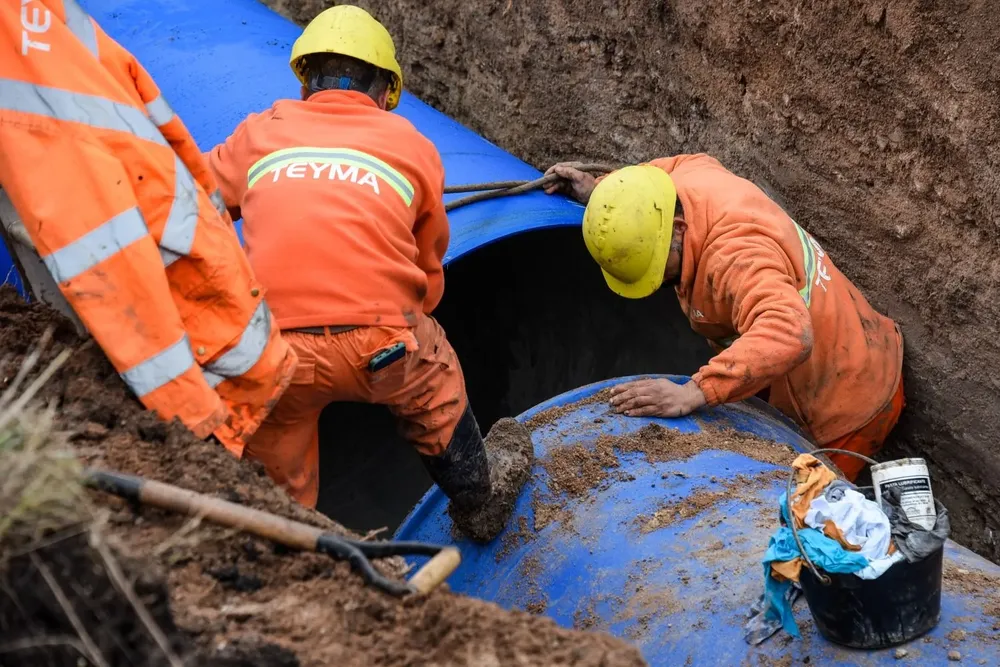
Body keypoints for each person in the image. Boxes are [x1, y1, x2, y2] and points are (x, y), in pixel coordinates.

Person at [206, 5, 532, 539]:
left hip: (271, 350)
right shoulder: (412, 146)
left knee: (275, 473)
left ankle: (283, 542)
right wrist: (406, 316)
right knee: (432, 382)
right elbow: (428, 261)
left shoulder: (259, 133)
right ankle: (478, 499)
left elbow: (188, 198)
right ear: (386, 91)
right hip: (380, 346)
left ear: (306, 80)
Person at [0, 0, 296, 454]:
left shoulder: (260, 131)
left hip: (223, 336)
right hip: (259, 335)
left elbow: (200, 179)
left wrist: (188, 415)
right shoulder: (412, 151)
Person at [544, 155, 904, 480]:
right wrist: (602, 193)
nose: (655, 286)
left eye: (657, 268)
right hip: (839, 336)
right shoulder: (683, 180)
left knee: (805, 513)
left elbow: (789, 331)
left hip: (845, 399)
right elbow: (640, 187)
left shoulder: (734, 257)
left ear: (680, 228)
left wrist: (693, 393)